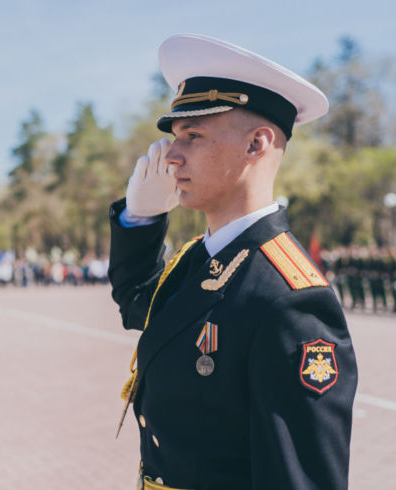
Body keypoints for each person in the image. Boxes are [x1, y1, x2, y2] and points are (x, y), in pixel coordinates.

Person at [108, 34, 357, 490]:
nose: (172, 154)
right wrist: (140, 218)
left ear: (256, 145)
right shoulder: (202, 258)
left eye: (194, 135)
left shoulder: (291, 301)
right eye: (175, 136)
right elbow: (138, 304)